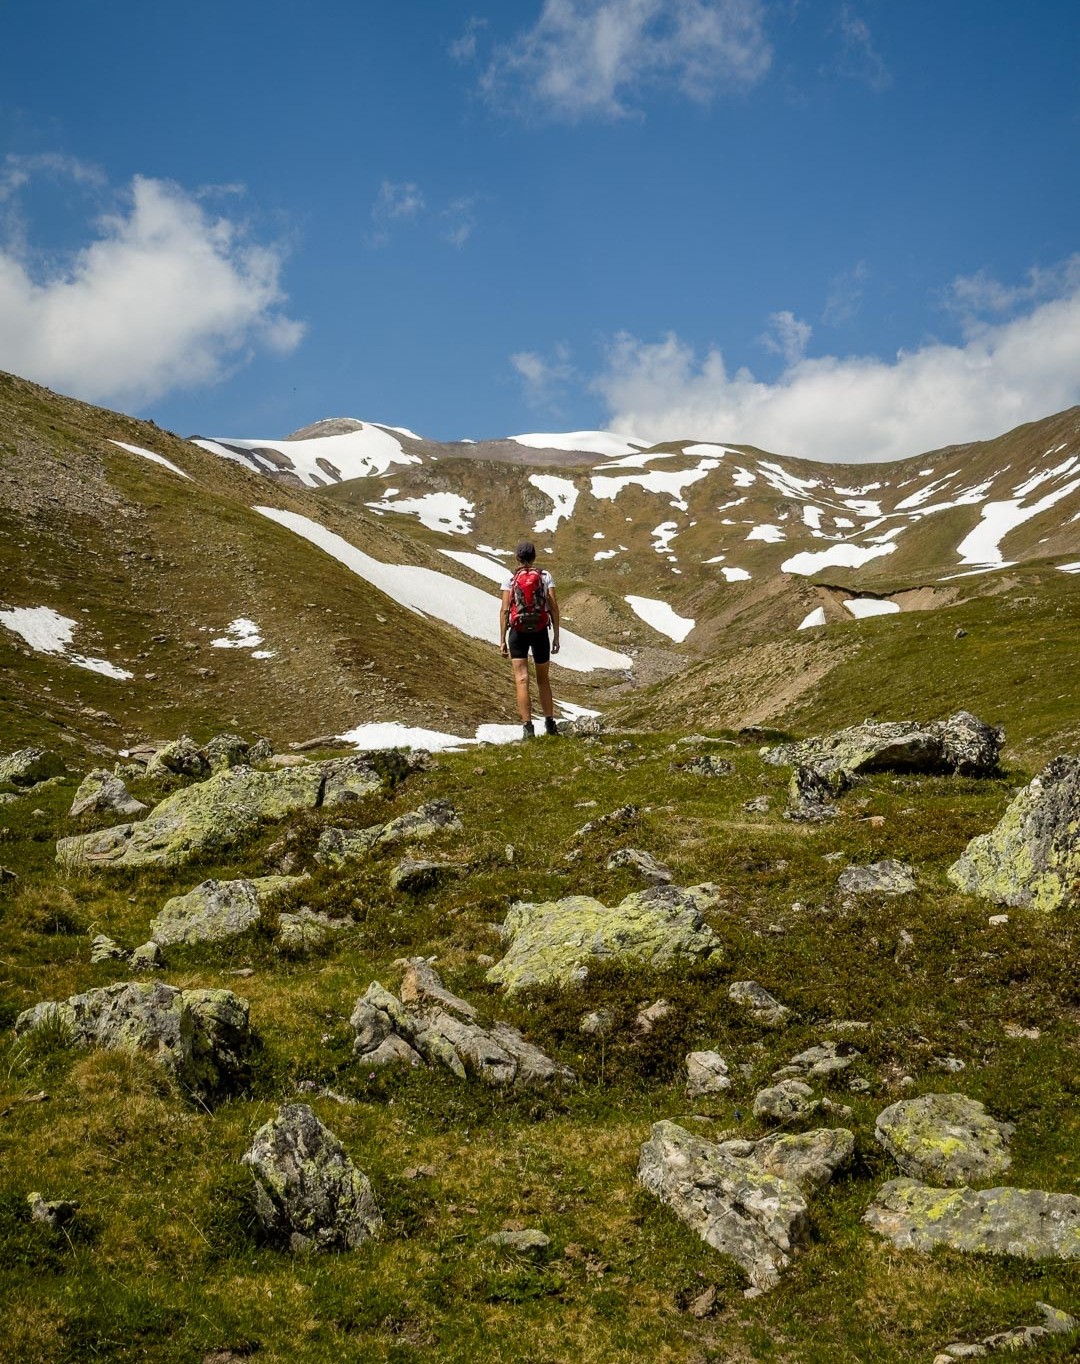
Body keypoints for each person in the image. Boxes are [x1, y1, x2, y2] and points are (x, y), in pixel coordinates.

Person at [499, 541, 560, 739]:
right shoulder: (545, 576)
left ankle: (528, 728)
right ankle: (550, 724)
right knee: (543, 679)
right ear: (534, 557)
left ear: (517, 557)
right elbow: (553, 606)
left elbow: (505, 610)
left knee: (521, 679)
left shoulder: (510, 579)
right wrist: (556, 636)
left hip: (518, 633)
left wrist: (502, 640)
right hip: (540, 632)